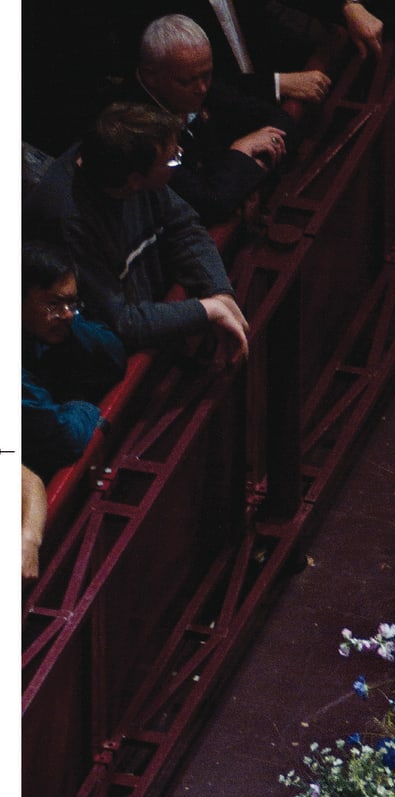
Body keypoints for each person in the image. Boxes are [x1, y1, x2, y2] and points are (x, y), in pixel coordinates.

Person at [23, 102, 251, 372]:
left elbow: (184, 227)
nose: (180, 158)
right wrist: (207, 311)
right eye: (172, 159)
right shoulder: (67, 218)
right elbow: (121, 322)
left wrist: (219, 292)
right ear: (134, 181)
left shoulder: (127, 169)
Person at [124, 14, 298, 224]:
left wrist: (243, 184)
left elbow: (281, 120)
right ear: (151, 76)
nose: (202, 88)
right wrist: (240, 151)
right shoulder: (135, 127)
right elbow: (208, 205)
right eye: (187, 81)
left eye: (207, 75)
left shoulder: (195, 78)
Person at [21, 241, 128, 484]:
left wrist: (69, 322)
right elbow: (64, 438)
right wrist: (84, 408)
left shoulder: (52, 324)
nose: (67, 313)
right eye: (53, 304)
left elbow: (114, 358)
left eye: (71, 303)